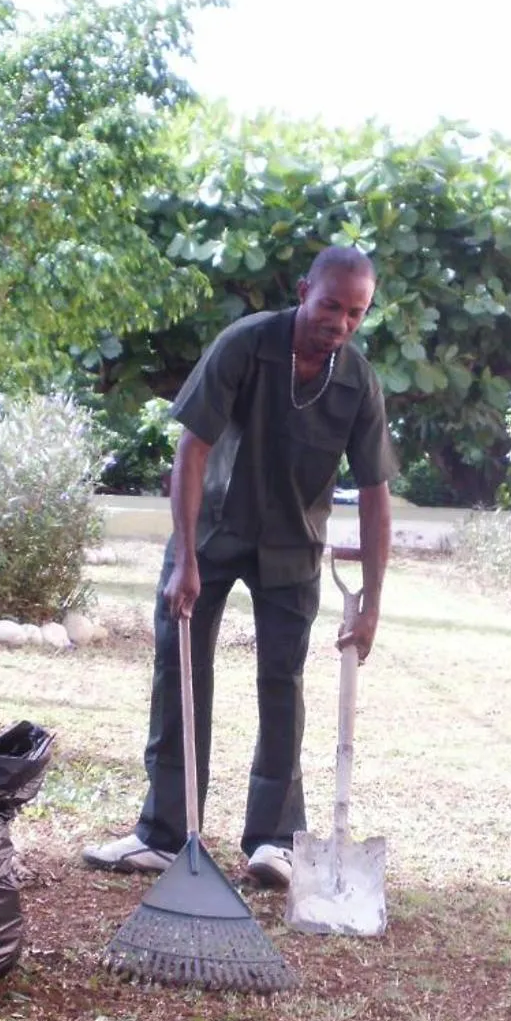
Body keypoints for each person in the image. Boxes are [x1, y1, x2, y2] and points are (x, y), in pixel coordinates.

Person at [83, 245, 393, 890]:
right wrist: (185, 556)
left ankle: (274, 841)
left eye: (355, 313)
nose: (340, 321)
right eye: (331, 304)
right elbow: (192, 448)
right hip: (213, 529)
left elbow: (374, 495)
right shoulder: (246, 344)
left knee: (283, 684)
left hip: (293, 546)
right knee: (181, 670)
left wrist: (370, 605)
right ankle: (163, 835)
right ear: (305, 290)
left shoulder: (357, 380)